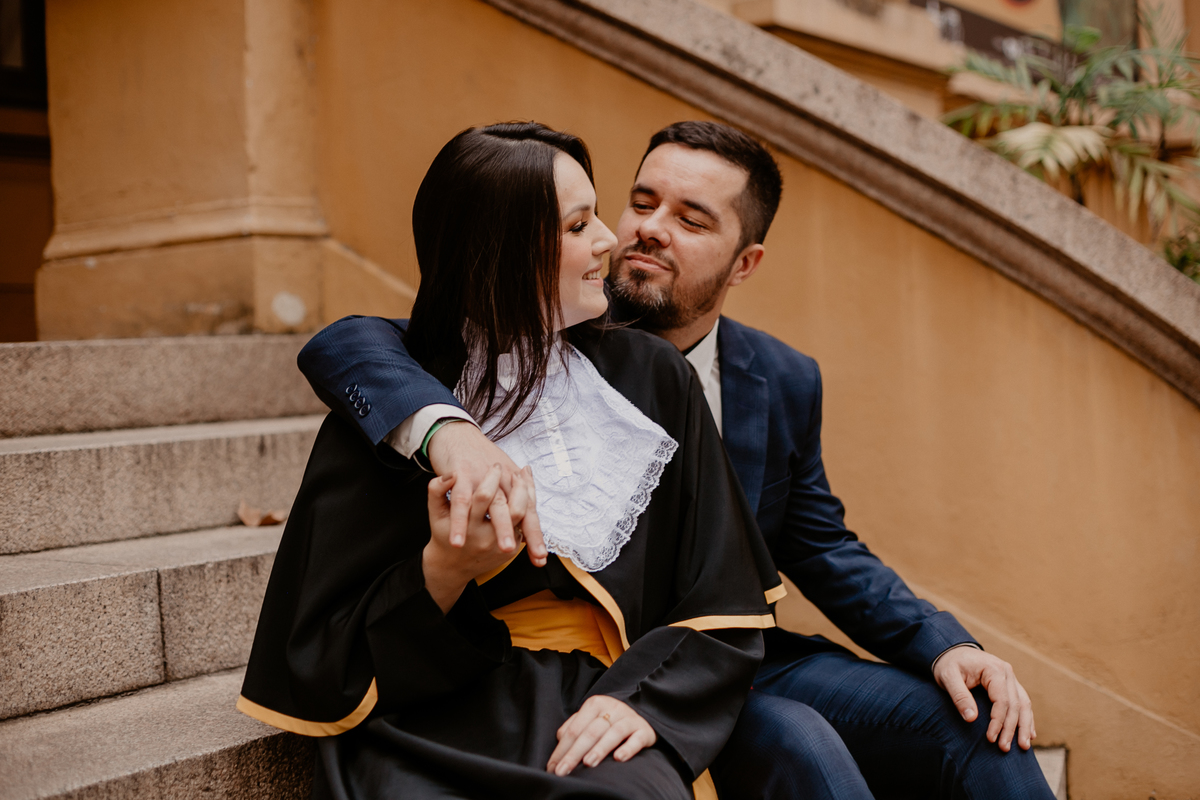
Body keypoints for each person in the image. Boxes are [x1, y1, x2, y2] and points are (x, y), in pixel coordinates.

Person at [296, 121, 1057, 800]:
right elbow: (358, 344)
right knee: (799, 745)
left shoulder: (780, 377)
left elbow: (822, 544)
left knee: (972, 720)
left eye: (691, 220)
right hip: (588, 662)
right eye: (641, 202)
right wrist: (447, 432)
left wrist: (943, 643)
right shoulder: (551, 326)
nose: (643, 232)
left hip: (723, 641)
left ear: (745, 262)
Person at [237, 122, 784, 800]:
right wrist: (445, 570)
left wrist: (646, 701)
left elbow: (720, 598)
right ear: (500, 252)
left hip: (612, 696)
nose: (609, 240)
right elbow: (329, 653)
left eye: (597, 215)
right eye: (578, 225)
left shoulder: (652, 377)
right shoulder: (404, 400)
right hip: (437, 707)